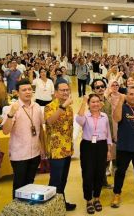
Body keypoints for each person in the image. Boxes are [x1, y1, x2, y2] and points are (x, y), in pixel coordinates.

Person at [2, 79, 45, 198]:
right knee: (19, 185)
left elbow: (40, 128)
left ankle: (27, 208)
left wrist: (42, 147)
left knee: (30, 183)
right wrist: (11, 114)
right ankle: (17, 210)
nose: (28, 92)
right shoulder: (12, 108)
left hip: (35, 152)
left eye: (30, 89)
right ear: (17, 92)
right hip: (19, 154)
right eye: (24, 90)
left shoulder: (36, 106)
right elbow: (5, 131)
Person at [76, 94, 112, 215]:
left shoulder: (104, 116)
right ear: (89, 104)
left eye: (97, 102)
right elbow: (78, 120)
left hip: (101, 146)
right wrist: (83, 101)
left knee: (100, 173)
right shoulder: (85, 116)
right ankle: (89, 200)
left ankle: (96, 197)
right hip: (87, 146)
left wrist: (108, 149)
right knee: (87, 173)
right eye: (92, 102)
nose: (95, 104)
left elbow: (108, 134)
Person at [44, 82, 76, 211]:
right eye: (62, 90)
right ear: (56, 92)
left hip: (67, 148)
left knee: (63, 179)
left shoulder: (70, 108)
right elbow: (50, 122)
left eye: (67, 90)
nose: (65, 92)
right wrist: (62, 106)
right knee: (55, 180)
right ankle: (50, 208)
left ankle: (60, 203)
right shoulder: (50, 106)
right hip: (56, 149)